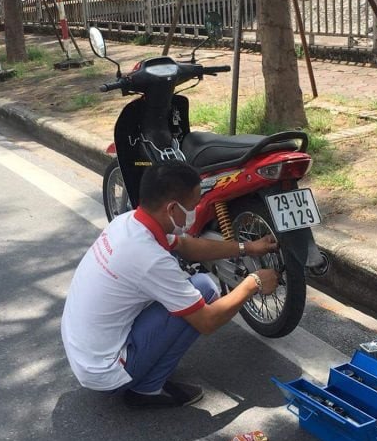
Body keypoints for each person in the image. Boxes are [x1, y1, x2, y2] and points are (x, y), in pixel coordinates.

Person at [61, 161, 280, 409]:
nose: (196, 209)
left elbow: (185, 246)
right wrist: (254, 282)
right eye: (194, 204)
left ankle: (143, 366)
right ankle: (147, 389)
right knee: (204, 291)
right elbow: (207, 321)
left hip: (84, 353)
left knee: (192, 289)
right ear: (172, 208)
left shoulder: (129, 223)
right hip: (105, 371)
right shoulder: (149, 259)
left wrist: (247, 247)